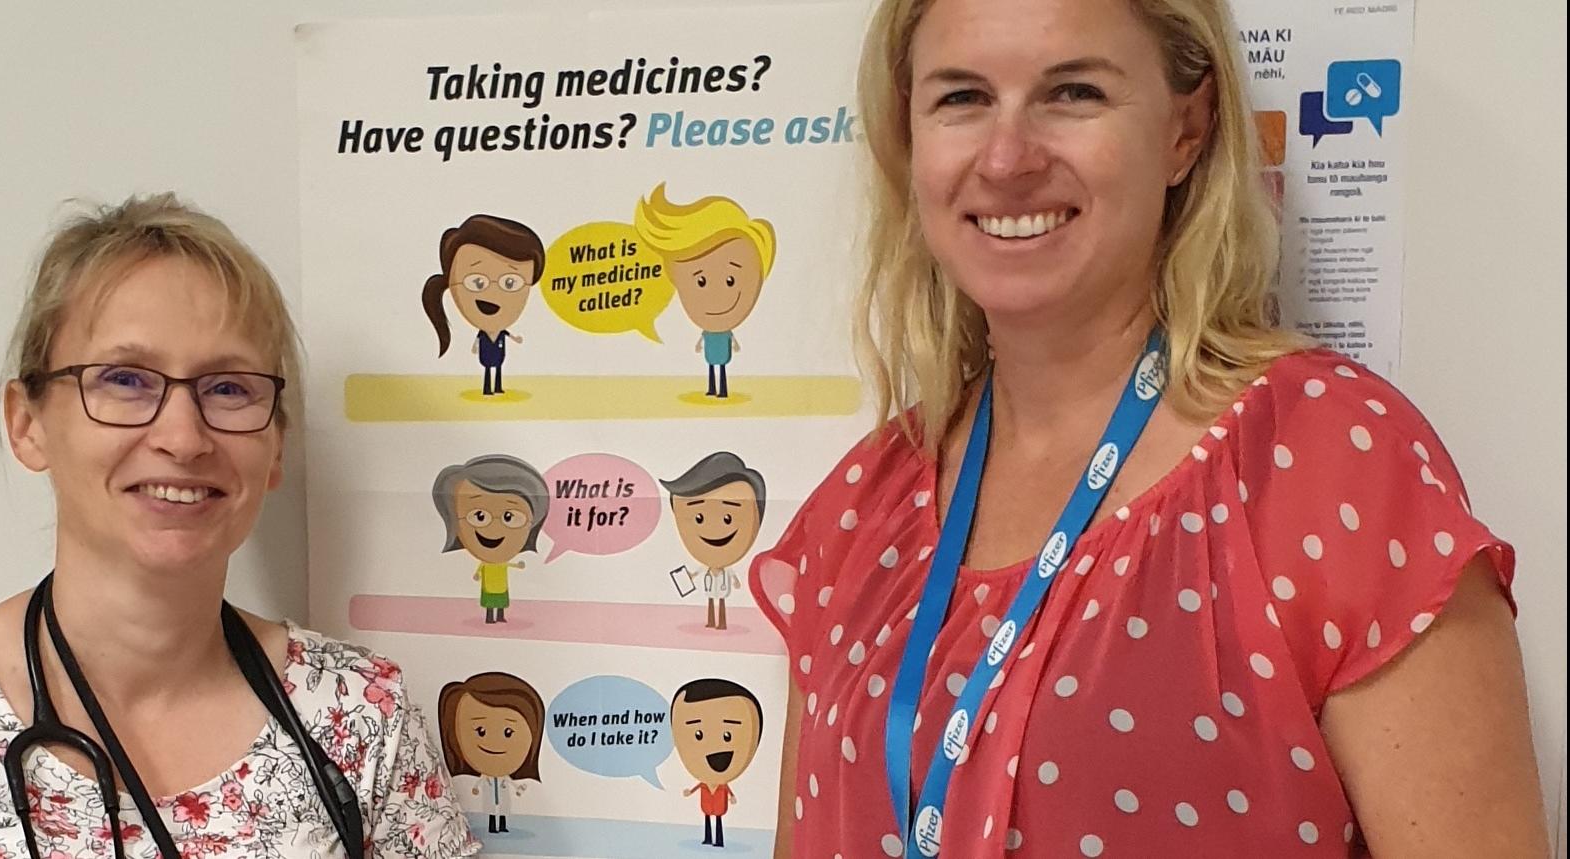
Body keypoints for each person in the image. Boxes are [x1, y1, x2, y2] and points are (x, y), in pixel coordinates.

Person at [748, 0, 1551, 857]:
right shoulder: (857, 513)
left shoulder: (1328, 464)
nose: (1007, 156)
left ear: (1185, 128)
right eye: (961, 98)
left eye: (1073, 92)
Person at [0, 194, 481, 858]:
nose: (183, 434)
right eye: (124, 379)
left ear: (274, 446)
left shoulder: (360, 717)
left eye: (228, 387)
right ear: (27, 423)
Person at [633, 184, 775, 399]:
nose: (717, 297)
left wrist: (734, 346)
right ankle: (713, 387)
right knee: (712, 366)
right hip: (711, 350)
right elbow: (704, 339)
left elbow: (731, 339)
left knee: (721, 366)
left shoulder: (723, 330)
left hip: (720, 348)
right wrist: (700, 345)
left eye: (730, 280)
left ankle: (721, 388)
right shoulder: (708, 330)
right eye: (701, 281)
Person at [421, 215, 544, 397]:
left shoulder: (500, 331)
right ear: (452, 280)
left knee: (497, 369)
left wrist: (516, 339)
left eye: (510, 283)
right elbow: (478, 341)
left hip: (497, 354)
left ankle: (496, 387)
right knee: (488, 370)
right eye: (477, 282)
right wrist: (475, 348)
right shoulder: (482, 333)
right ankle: (488, 388)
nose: (492, 295)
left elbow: (509, 336)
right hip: (487, 355)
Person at [432, 454, 550, 624]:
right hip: (490, 587)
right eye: (479, 516)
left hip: (501, 587)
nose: (494, 529)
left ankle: (499, 616)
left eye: (509, 517)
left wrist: (518, 565)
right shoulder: (486, 564)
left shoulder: (502, 563)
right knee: (490, 603)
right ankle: (490, 617)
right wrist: (477, 576)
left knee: (501, 601)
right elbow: (480, 570)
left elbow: (511, 565)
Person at [661, 452, 767, 630]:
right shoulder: (707, 565)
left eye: (728, 518)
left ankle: (722, 622)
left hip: (722, 586)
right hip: (711, 586)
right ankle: (711, 620)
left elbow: (733, 576)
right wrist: (690, 577)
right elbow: (698, 572)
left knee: (722, 602)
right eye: (699, 518)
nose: (714, 529)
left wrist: (736, 583)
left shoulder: (727, 568)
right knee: (711, 600)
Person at [437, 672, 547, 835]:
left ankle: (502, 825)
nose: (494, 743)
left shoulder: (506, 776)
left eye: (508, 732)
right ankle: (492, 825)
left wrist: (518, 787)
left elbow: (511, 783)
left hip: (503, 795)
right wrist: (474, 789)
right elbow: (479, 783)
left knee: (504, 808)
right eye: (480, 731)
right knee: (489, 808)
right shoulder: (461, 781)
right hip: (483, 799)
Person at [669, 679, 763, 849]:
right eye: (698, 735)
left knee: (718, 818)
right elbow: (697, 787)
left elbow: (727, 790)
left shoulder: (722, 784)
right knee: (707, 817)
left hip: (718, 803)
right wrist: (690, 791)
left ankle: (718, 839)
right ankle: (708, 838)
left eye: (728, 735)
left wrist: (732, 797)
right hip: (707, 802)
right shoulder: (705, 782)